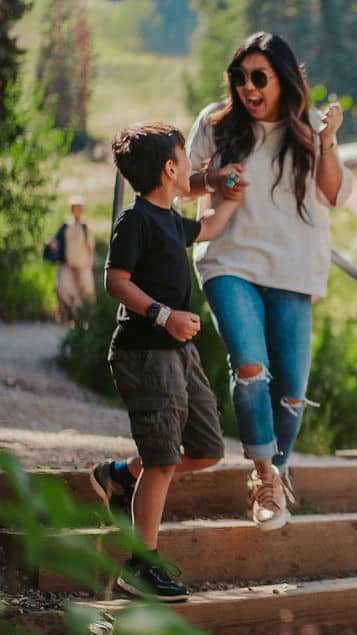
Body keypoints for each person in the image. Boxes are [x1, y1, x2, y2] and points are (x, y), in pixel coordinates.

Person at [185, 32, 354, 530]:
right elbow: (178, 184)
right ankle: (263, 475)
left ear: (284, 79)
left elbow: (336, 194)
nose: (248, 88)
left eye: (260, 77)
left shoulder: (307, 129)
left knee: (293, 393)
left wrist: (325, 141)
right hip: (227, 261)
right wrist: (213, 181)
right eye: (240, 78)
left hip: (294, 270)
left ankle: (274, 474)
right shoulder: (215, 124)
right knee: (251, 368)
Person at [98, 122, 240, 602]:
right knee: (162, 461)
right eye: (187, 158)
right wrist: (164, 315)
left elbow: (210, 227)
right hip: (146, 354)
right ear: (169, 169)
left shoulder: (172, 218)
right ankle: (139, 566)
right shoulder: (135, 220)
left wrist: (228, 191)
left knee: (206, 449)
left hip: (181, 354)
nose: (193, 167)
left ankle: (122, 475)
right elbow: (115, 281)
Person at [51, 195, 95, 320]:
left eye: (80, 208)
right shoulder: (65, 226)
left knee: (86, 292)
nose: (78, 210)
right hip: (67, 265)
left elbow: (91, 247)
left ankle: (85, 319)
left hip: (82, 265)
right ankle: (65, 316)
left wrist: (89, 262)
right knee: (64, 289)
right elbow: (55, 241)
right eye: (75, 207)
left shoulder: (85, 227)